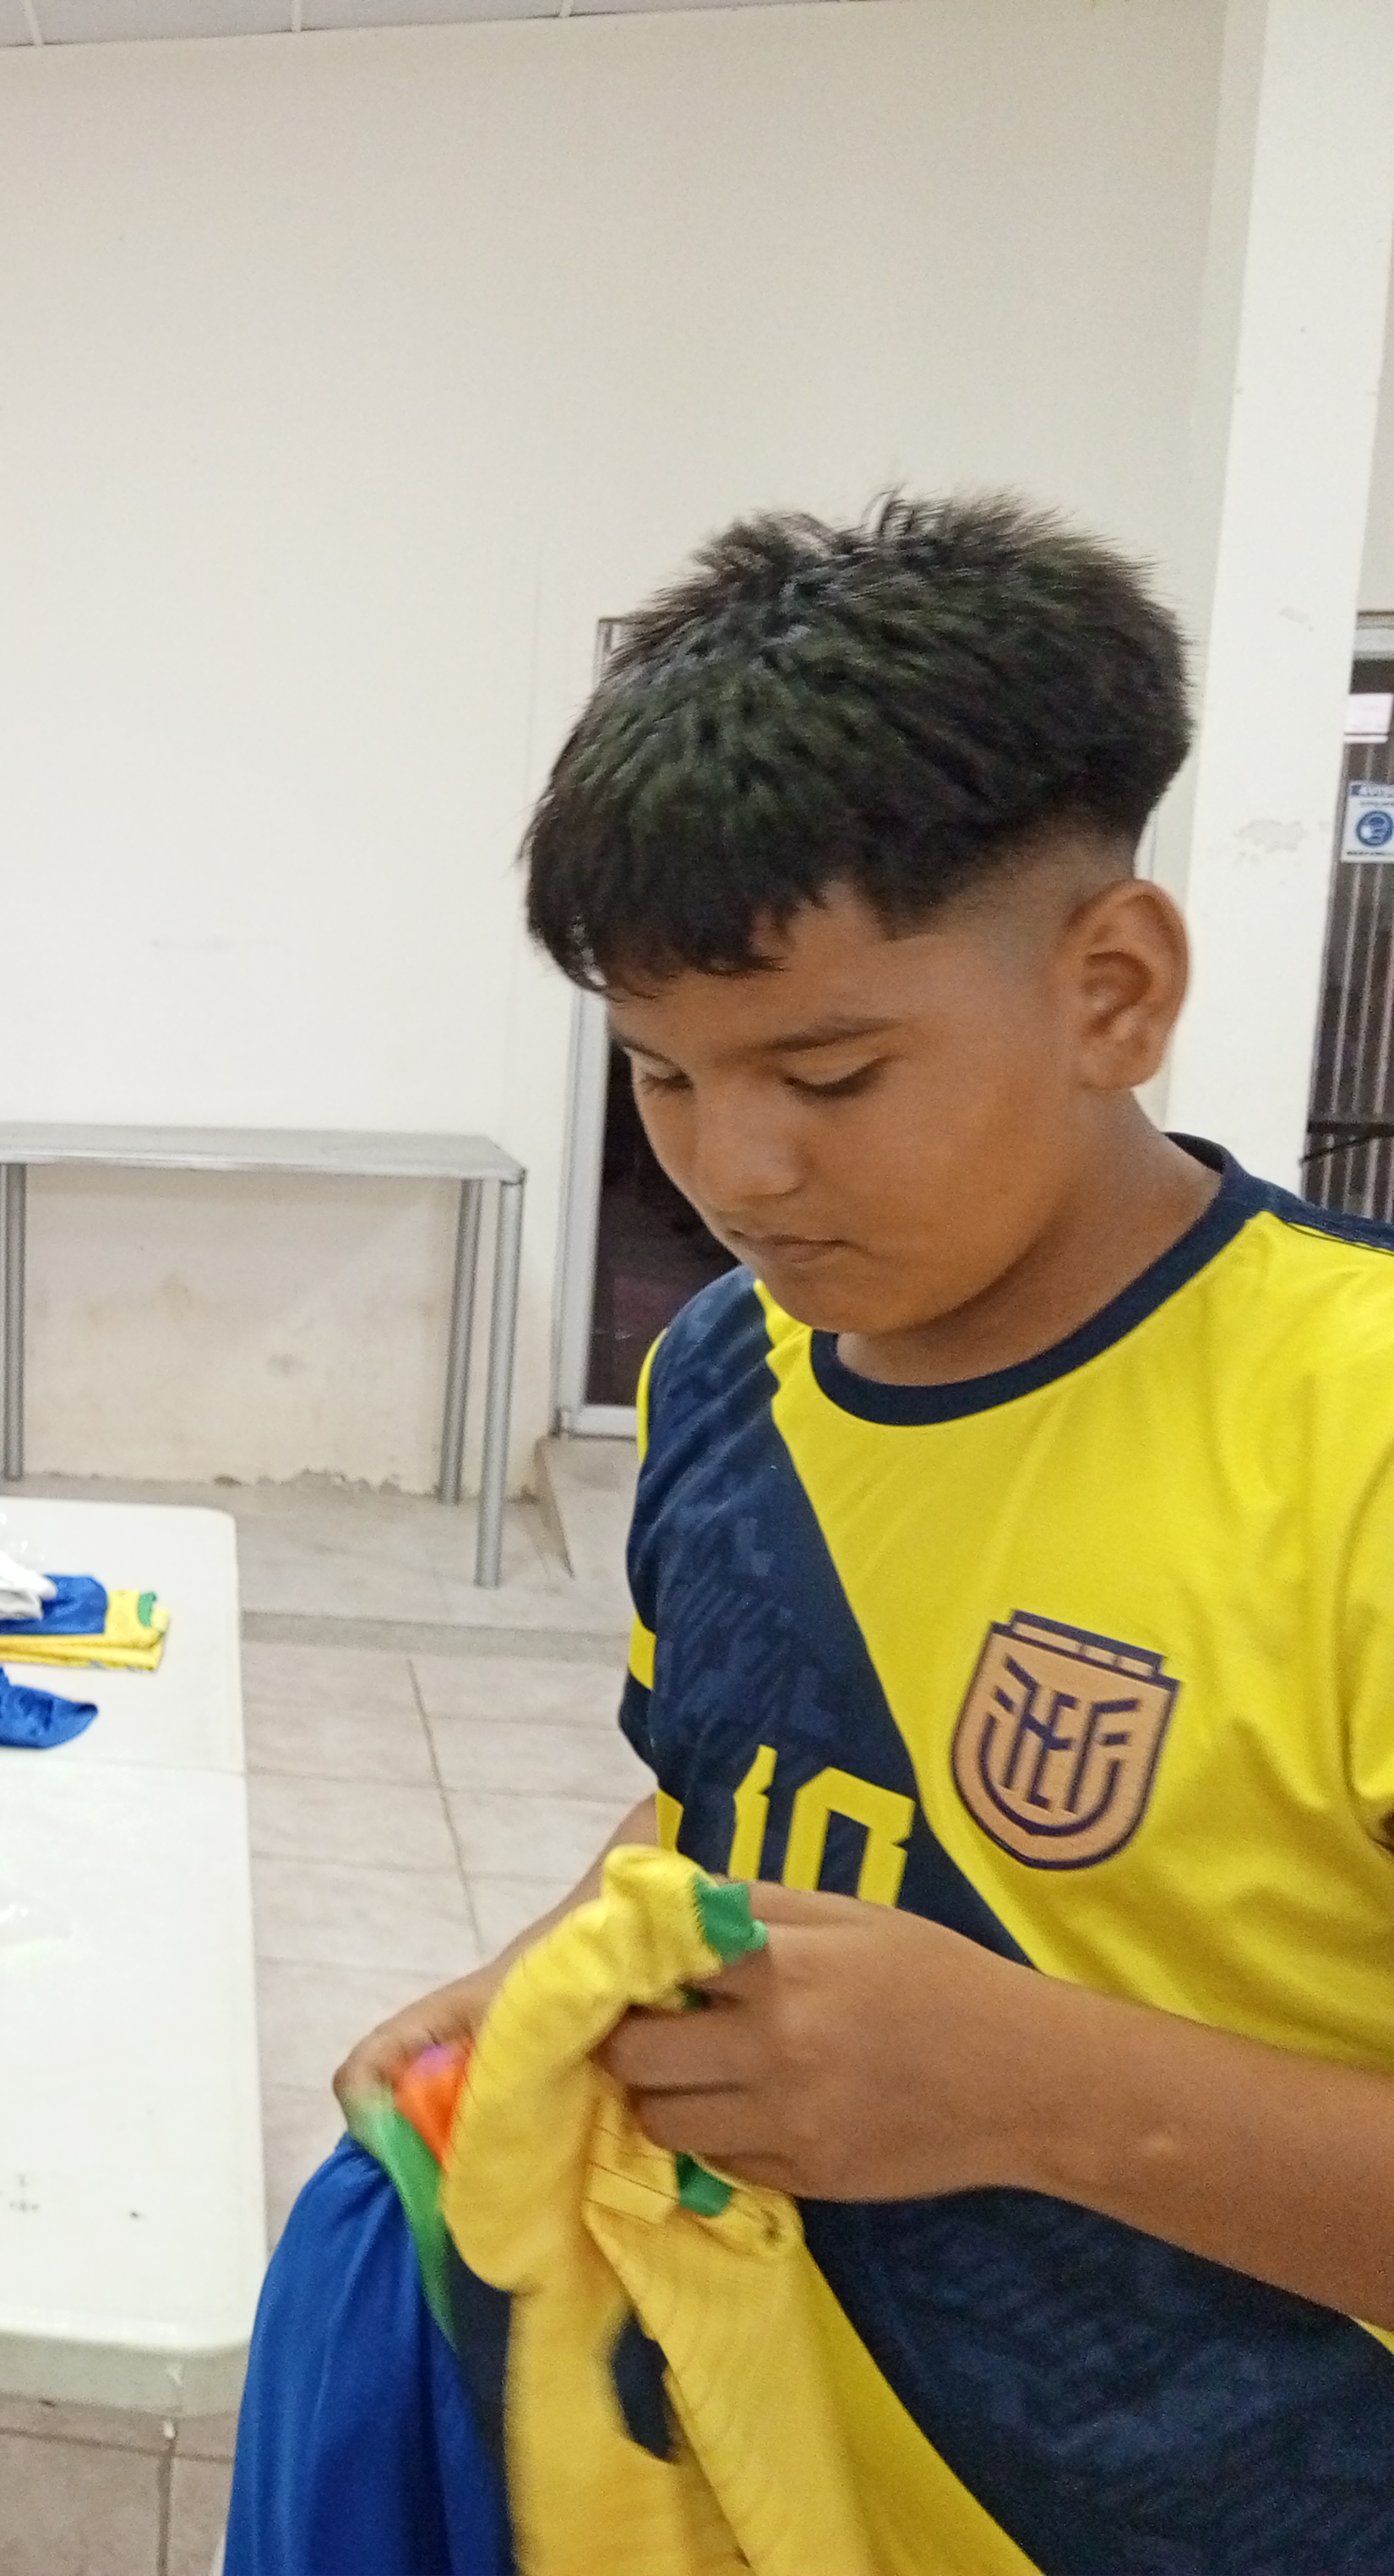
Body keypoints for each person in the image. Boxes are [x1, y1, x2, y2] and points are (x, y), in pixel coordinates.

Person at [283, 495, 1394, 2565]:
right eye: (660, 1077)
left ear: (1111, 989)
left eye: (827, 1071)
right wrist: (524, 1978)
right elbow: (730, 1790)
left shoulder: (1354, 1436)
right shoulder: (729, 1372)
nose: (733, 1170)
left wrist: (1036, 2088)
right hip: (777, 2485)